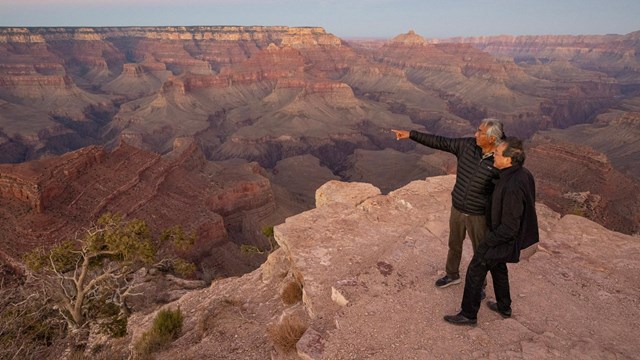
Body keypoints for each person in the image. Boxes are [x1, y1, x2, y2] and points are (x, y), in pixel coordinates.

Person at [392, 119, 504, 292]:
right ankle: (452, 275)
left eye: (480, 132)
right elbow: (440, 141)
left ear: (491, 138)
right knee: (454, 244)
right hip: (458, 207)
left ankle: (479, 284)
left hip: (478, 214)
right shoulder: (467, 146)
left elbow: (507, 188)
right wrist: (411, 135)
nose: (475, 134)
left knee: (480, 252)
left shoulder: (500, 160)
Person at [444, 137, 539, 325]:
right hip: (513, 237)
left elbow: (510, 227)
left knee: (476, 267)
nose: (493, 155)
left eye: (497, 154)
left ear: (508, 160)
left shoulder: (512, 186)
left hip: (507, 238)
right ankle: (504, 306)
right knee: (497, 265)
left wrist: (488, 241)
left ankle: (468, 314)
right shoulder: (521, 174)